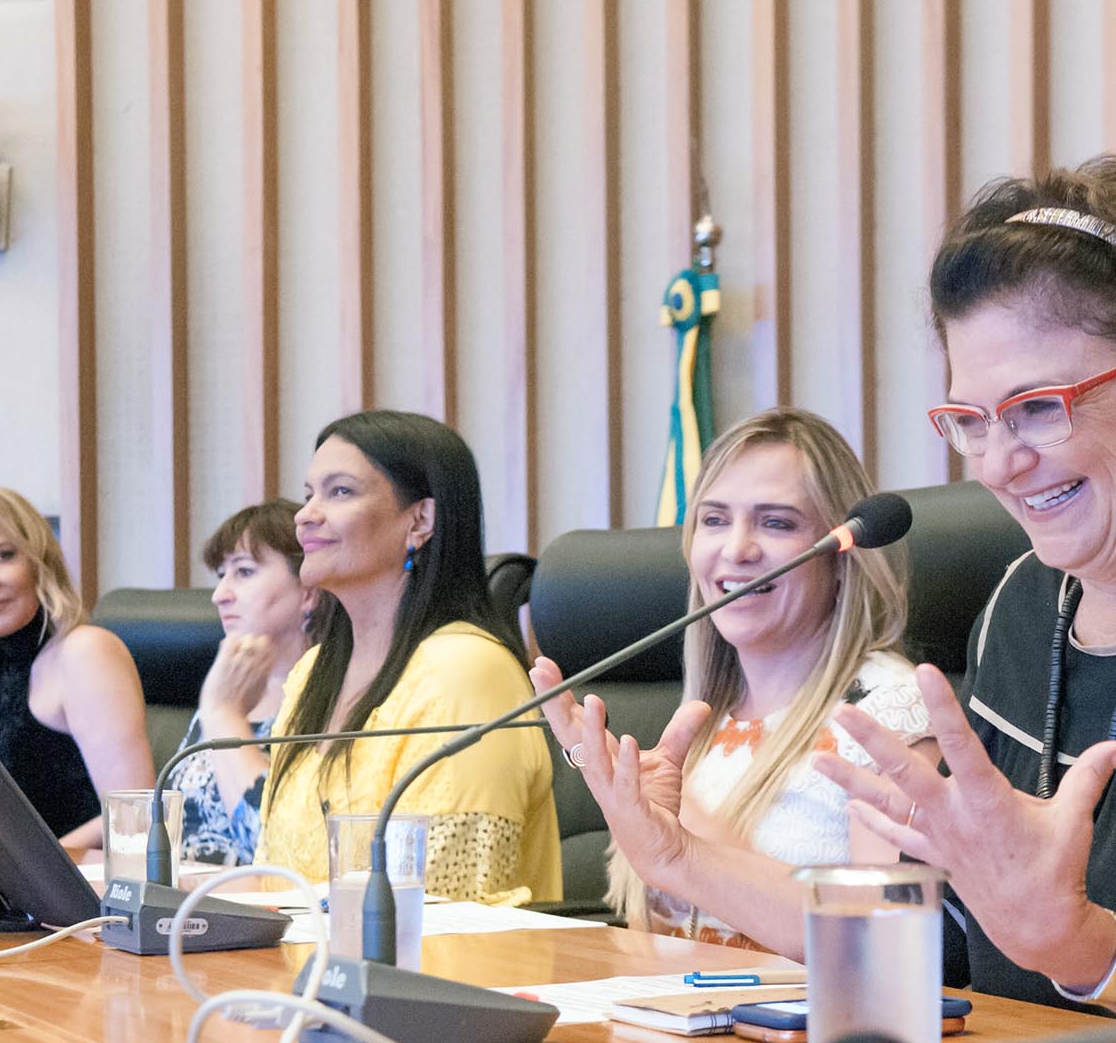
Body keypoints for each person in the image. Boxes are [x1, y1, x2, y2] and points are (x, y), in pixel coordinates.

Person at [561, 157, 1116, 1043]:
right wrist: (681, 858)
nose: (998, 464)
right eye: (971, 420)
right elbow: (950, 950)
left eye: (1038, 408)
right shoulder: (1023, 603)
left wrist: (1087, 945)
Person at [530, 407, 931, 951]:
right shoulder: (702, 720)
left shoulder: (889, 711)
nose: (736, 549)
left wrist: (681, 838)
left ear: (841, 556)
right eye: (714, 520)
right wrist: (616, 791)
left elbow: (880, 942)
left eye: (776, 523)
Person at [254, 410, 561, 905]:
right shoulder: (311, 674)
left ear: (421, 519)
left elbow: (446, 901)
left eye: (340, 492)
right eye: (309, 493)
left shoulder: (466, 671)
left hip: (442, 955)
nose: (304, 515)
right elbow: (270, 875)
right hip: (303, 952)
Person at [0, 487, 154, 847]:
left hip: (79, 879)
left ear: (40, 562)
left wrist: (32, 868)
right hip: (2, 881)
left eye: (3, 556)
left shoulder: (86, 651)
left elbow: (136, 817)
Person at [169, 500, 316, 863]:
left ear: (309, 589)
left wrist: (223, 713)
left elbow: (279, 849)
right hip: (183, 894)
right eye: (221, 575)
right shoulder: (227, 685)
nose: (220, 595)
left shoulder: (333, 697)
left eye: (244, 572)